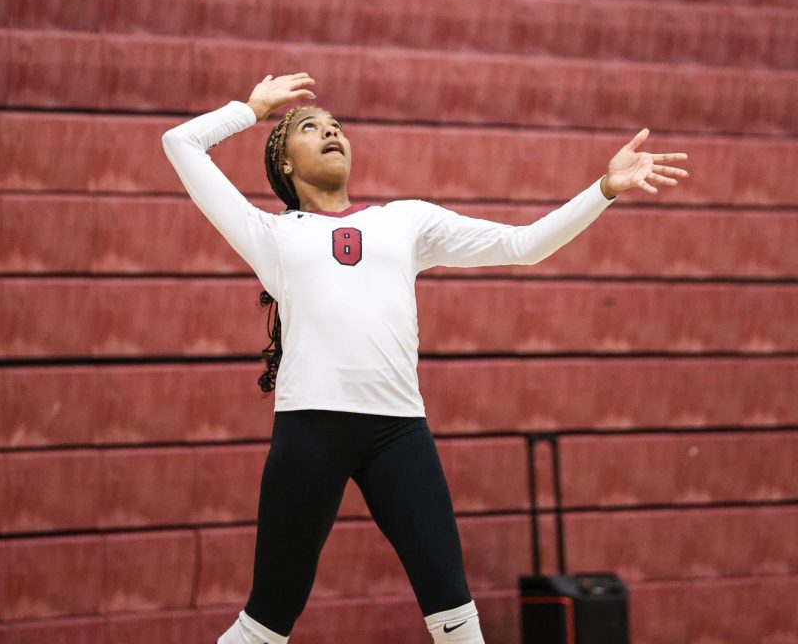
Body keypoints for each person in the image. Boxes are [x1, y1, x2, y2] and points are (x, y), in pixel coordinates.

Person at [162, 71, 690, 644]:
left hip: (399, 436)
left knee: (456, 617)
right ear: (283, 163)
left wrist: (603, 189)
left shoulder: (406, 220)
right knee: (265, 623)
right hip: (308, 431)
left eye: (337, 126)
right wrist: (253, 107)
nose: (331, 132)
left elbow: (525, 245)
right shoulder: (266, 234)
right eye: (310, 127)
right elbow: (180, 143)